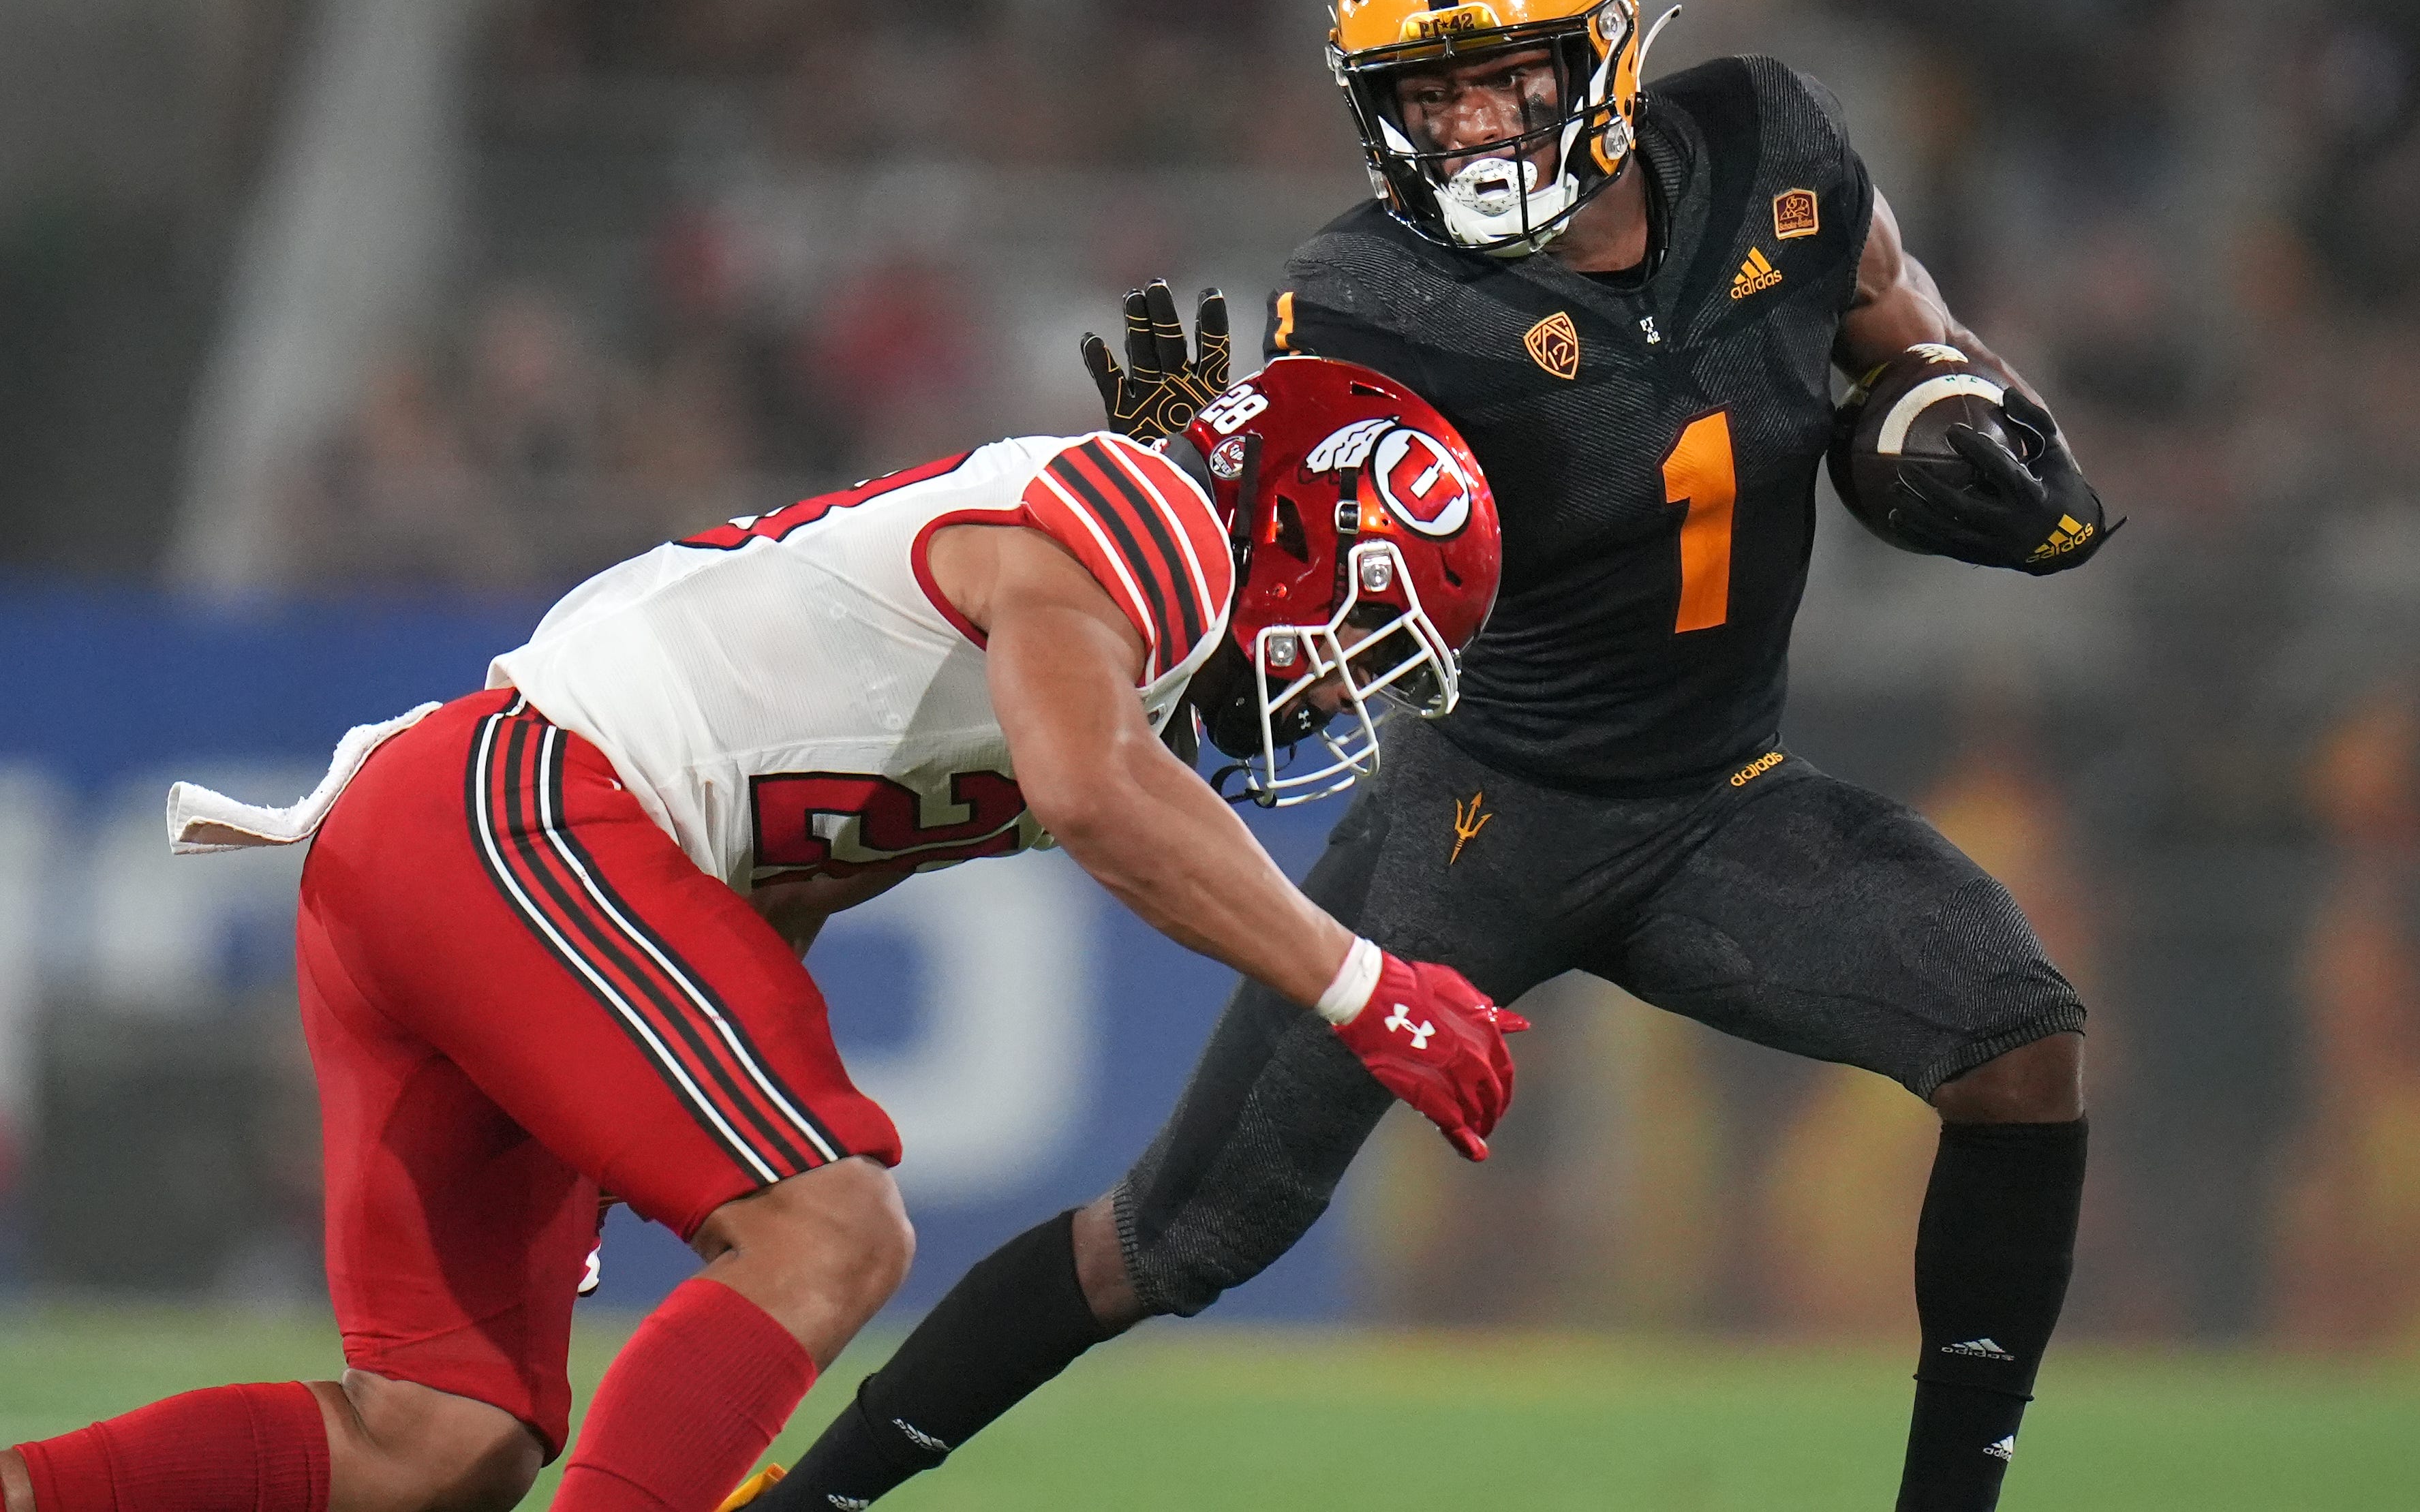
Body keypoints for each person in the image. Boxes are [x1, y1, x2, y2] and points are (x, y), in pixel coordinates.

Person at [771, 0, 2117, 1512]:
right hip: (1481, 815)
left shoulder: (1779, 144)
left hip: (1721, 804)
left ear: (1603, 55)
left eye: (1503, 75)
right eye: (1430, 89)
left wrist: (1980, 429)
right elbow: (1258, 662)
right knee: (1170, 1241)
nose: (1472, 124)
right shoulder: (1370, 301)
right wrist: (1203, 524)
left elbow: (1905, 329)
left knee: (2019, 1041)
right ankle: (802, 1504)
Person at [0, 360, 1520, 1512]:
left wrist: (616, 1122)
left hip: (457, 838)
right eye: (1365, 646)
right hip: (522, 813)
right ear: (1308, 545)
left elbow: (789, 886)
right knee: (833, 1230)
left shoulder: (1114, 627)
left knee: (439, 1441)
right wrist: (1362, 984)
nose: (1337, 699)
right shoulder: (1154, 519)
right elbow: (1097, 787)